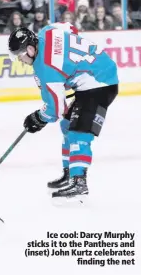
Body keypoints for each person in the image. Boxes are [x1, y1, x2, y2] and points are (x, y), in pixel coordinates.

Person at [7, 23, 119, 202]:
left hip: (100, 83)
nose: (20, 60)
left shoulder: (45, 68)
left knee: (78, 132)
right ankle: (70, 173)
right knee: (67, 124)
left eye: (20, 55)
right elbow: (71, 28)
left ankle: (79, 181)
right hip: (96, 74)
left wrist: (38, 118)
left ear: (30, 49)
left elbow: (56, 109)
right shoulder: (48, 31)